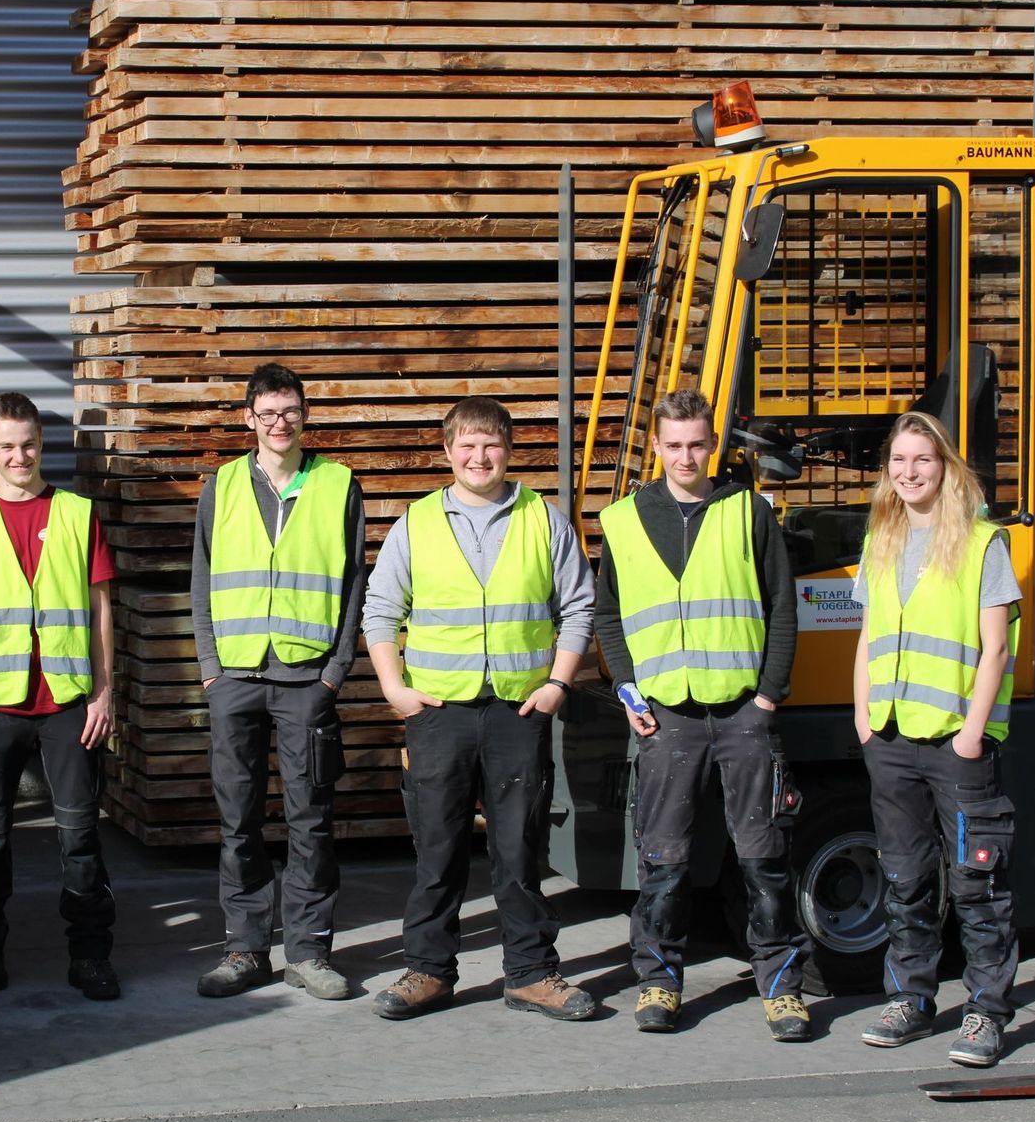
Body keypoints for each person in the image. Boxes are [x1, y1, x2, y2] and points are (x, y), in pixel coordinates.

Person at [362, 396, 597, 1021]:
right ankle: (427, 971)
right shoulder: (416, 523)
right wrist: (393, 687)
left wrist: (558, 685)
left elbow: (578, 607)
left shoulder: (543, 519)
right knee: (436, 850)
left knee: (518, 851)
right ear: (448, 452)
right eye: (466, 445)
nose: (479, 456)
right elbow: (380, 609)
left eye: (490, 444)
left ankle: (531, 974)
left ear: (509, 449)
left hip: (518, 710)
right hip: (439, 709)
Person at [595, 388, 812, 1041]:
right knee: (662, 861)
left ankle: (782, 990)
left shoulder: (747, 511)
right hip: (665, 716)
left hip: (744, 711)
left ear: (712, 445)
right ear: (656, 447)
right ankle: (659, 983)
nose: (686, 456)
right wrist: (630, 690)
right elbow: (610, 615)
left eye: (697, 444)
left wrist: (769, 696)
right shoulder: (624, 520)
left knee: (764, 859)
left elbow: (782, 606)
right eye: (674, 445)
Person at [0, 392, 120, 1003]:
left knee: (80, 838)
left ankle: (90, 956)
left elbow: (100, 608)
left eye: (30, 444)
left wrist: (104, 691)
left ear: (43, 443)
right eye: (8, 446)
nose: (20, 456)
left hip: (68, 704)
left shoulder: (77, 513)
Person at [853, 410, 1021, 1068]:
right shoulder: (883, 539)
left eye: (921, 459)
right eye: (898, 461)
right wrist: (864, 720)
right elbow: (869, 637)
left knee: (978, 884)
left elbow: (997, 647)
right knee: (904, 879)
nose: (909, 471)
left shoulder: (982, 543)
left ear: (944, 466)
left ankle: (985, 1012)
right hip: (892, 739)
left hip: (956, 744)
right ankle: (911, 999)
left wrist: (974, 734)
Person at [192, 363, 364, 1001]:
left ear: (304, 415)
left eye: (289, 411)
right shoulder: (223, 486)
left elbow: (352, 585)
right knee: (238, 820)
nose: (279, 423)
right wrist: (210, 669)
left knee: (310, 818)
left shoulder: (339, 485)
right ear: (249, 418)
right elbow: (201, 580)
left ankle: (310, 952)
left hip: (305, 679)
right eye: (267, 413)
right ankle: (244, 949)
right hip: (235, 676)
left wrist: (334, 672)